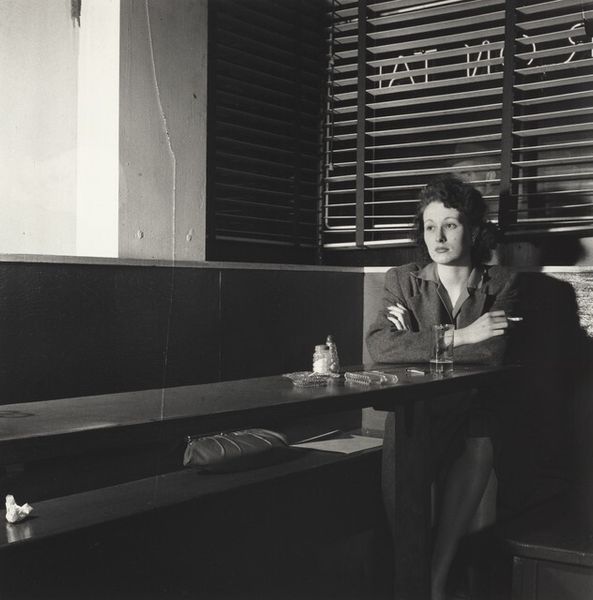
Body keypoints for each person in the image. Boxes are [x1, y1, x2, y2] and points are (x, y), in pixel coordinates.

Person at [366, 174, 519, 600]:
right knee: (408, 454)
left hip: (472, 409)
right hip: (418, 411)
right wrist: (463, 335)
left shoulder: (500, 281)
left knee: (481, 437)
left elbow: (492, 352)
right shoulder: (403, 279)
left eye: (450, 225)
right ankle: (417, 586)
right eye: (430, 226)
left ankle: (436, 576)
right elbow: (380, 346)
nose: (438, 237)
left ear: (474, 229)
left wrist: (416, 341)